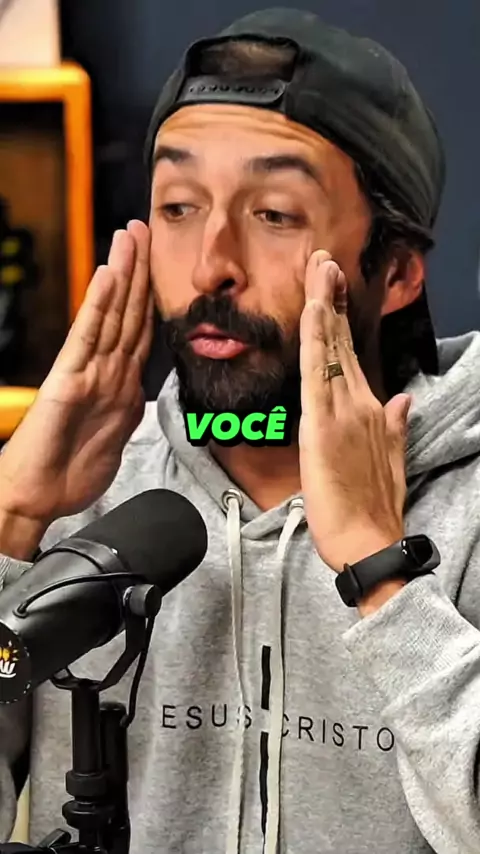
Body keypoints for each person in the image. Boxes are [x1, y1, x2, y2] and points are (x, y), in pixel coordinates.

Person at [0, 7, 479, 854]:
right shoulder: (85, 496)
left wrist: (383, 572)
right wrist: (9, 521)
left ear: (398, 270)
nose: (211, 263)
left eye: (275, 215)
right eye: (178, 207)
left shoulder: (467, 506)